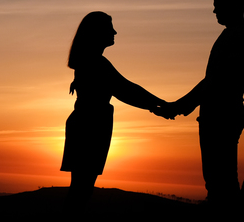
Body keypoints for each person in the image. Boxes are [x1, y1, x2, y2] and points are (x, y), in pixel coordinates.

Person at [157, 0, 244, 209]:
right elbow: (212, 80)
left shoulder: (242, 35)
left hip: (223, 115)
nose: (214, 11)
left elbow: (217, 80)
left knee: (221, 181)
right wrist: (182, 106)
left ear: (233, 6)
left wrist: (179, 106)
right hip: (217, 114)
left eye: (217, 5)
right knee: (216, 180)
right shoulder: (233, 34)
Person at [62, 12, 168, 209]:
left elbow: (124, 89)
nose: (115, 32)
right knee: (82, 190)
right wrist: (160, 104)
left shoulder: (91, 61)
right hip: (91, 126)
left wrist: (157, 105)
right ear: (97, 32)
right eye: (109, 28)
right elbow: (125, 89)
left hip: (87, 123)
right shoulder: (96, 63)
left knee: (81, 188)